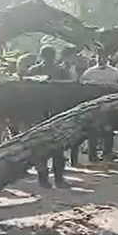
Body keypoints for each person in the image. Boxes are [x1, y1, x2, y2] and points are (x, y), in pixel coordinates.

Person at [26, 45, 71, 188]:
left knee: (45, 149)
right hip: (52, 113)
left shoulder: (35, 70)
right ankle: (56, 180)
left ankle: (47, 180)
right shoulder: (60, 70)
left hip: (43, 113)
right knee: (55, 148)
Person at [81, 49, 118, 161]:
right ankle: (92, 154)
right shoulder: (89, 73)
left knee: (108, 129)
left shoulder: (115, 72)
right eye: (99, 56)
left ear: (108, 57)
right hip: (93, 105)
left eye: (104, 56)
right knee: (92, 130)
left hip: (110, 104)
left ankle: (107, 153)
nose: (101, 59)